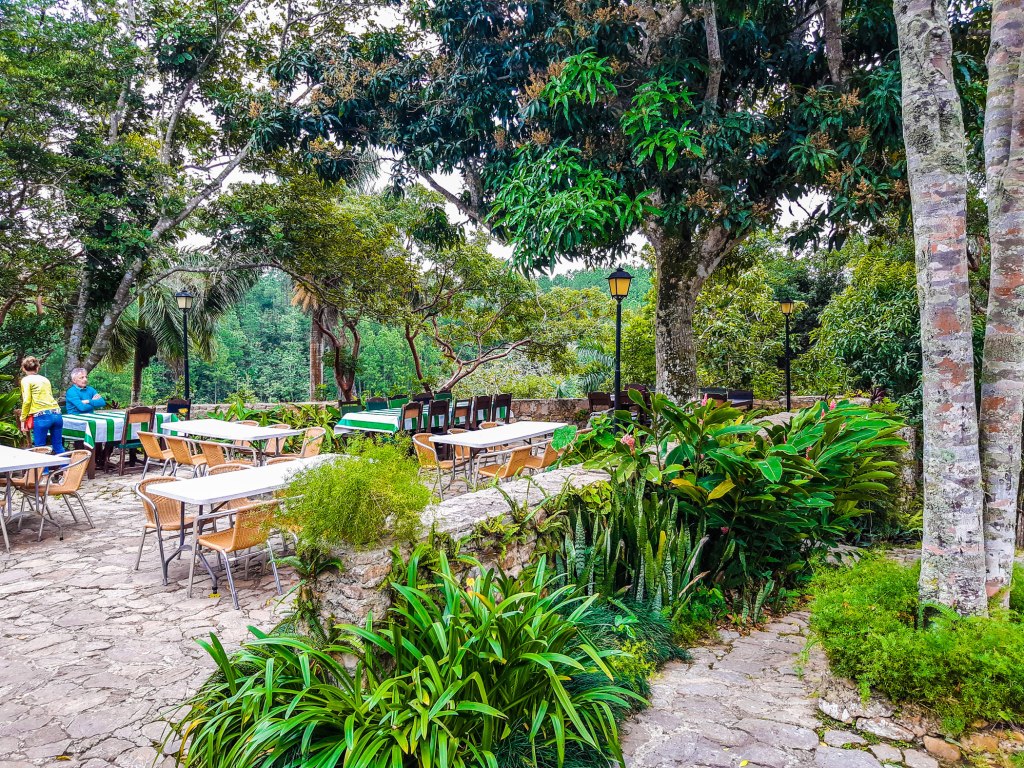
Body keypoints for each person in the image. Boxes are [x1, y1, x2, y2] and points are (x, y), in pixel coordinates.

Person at [19, 357, 64, 454]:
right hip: (56, 413)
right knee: (58, 445)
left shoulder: (26, 380)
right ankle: (67, 469)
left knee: (40, 448)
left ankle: (44, 470)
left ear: (23, 368)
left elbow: (27, 401)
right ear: (37, 368)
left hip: (42, 416)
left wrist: (23, 420)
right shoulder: (45, 379)